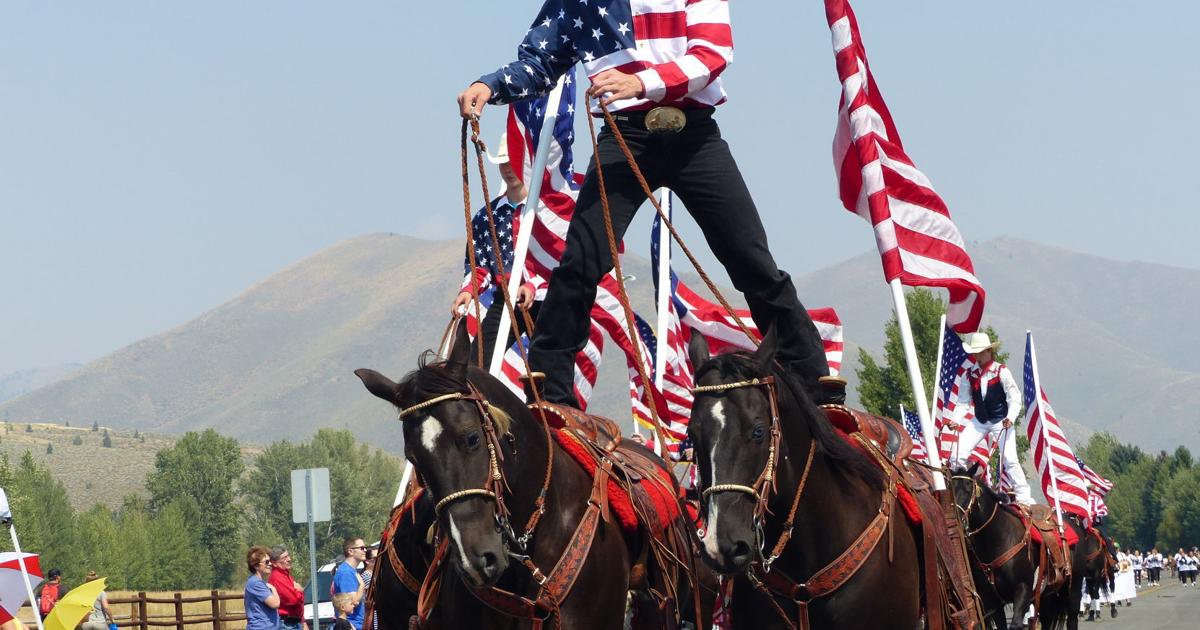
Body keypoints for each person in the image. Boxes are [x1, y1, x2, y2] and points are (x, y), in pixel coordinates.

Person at [457, 0, 837, 410]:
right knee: (581, 261)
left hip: (694, 137)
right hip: (625, 136)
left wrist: (641, 83)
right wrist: (490, 85)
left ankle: (813, 379)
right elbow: (540, 61)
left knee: (750, 258)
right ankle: (550, 389)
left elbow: (712, 53)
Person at [450, 134, 540, 367]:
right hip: (507, 299)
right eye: (503, 163)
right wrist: (468, 291)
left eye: (513, 161)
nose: (508, 169)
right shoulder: (485, 217)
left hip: (546, 299)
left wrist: (532, 284)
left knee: (549, 367)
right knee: (476, 364)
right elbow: (479, 266)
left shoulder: (548, 212)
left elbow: (560, 259)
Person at [949, 332, 1034, 504]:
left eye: (980, 353)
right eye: (975, 353)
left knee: (1009, 458)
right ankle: (960, 489)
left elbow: (1015, 398)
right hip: (979, 421)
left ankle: (1024, 497)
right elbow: (963, 402)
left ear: (989, 351)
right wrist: (955, 420)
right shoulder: (969, 375)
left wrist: (1010, 417)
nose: (977, 357)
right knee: (957, 455)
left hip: (1000, 420)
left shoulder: (1001, 371)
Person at [267, 546, 307, 630]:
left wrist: (303, 621)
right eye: (284, 558)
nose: (289, 559)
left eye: (288, 556)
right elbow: (293, 600)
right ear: (274, 563)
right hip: (287, 624)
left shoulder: (285, 575)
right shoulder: (278, 577)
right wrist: (300, 591)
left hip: (293, 622)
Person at [332, 537, 367, 630]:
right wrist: (362, 585)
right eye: (362, 548)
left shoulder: (350, 570)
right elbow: (354, 601)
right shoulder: (346, 572)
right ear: (351, 551)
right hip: (352, 625)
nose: (365, 550)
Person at [244, 546, 281, 630]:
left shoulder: (259, 582)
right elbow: (275, 604)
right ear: (256, 566)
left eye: (270, 561)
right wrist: (274, 589)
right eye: (266, 562)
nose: (270, 564)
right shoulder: (256, 583)